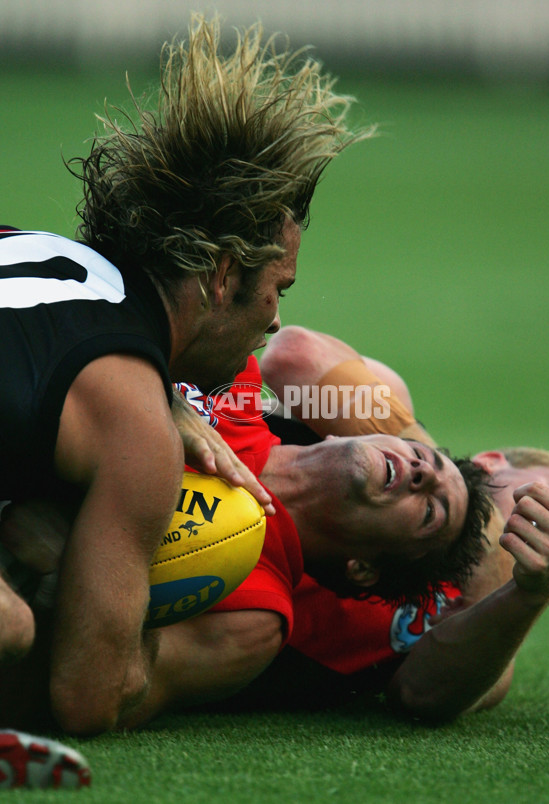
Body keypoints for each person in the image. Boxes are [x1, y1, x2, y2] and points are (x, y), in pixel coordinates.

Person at [0, 14, 369, 740]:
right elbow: (89, 698)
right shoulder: (136, 424)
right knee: (8, 629)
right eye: (279, 290)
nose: (272, 322)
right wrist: (79, 571)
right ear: (223, 275)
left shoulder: (44, 252)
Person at [0, 355, 493, 731]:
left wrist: (78, 566)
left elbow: (102, 694)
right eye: (423, 456)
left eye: (432, 511)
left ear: (362, 567)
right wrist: (161, 407)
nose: (423, 472)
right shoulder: (235, 376)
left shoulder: (254, 622)